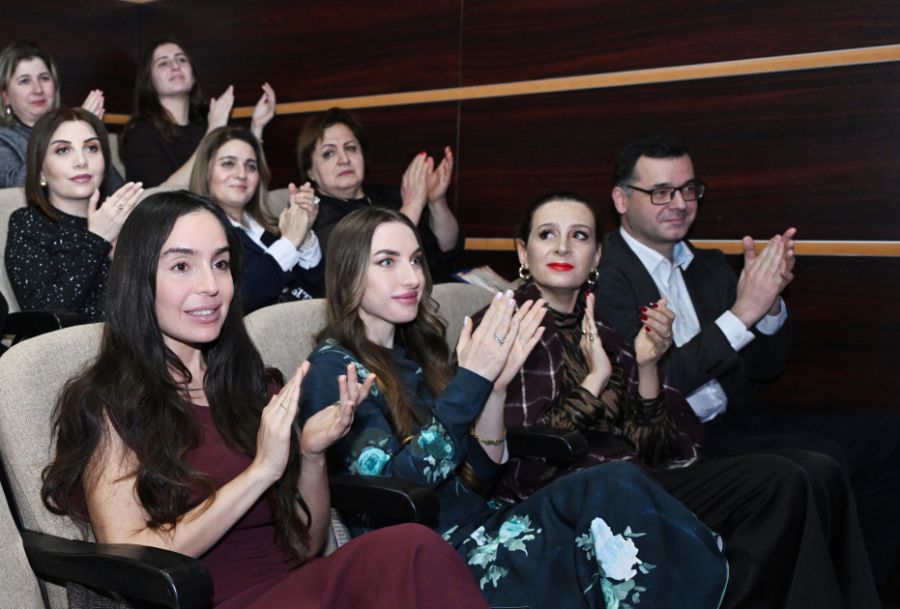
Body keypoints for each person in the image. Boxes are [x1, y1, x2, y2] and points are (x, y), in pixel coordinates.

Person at [40, 190, 492, 609]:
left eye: (220, 264)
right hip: (216, 600)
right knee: (413, 549)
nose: (211, 285)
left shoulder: (253, 388)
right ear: (140, 279)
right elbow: (130, 557)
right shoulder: (107, 402)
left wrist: (311, 455)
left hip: (298, 588)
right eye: (181, 266)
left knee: (414, 552)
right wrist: (260, 472)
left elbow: (306, 544)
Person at [300, 206, 728, 609]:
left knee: (617, 481)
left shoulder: (418, 356)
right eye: (387, 262)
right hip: (432, 557)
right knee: (616, 489)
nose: (412, 277)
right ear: (348, 273)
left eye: (415, 260)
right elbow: (398, 491)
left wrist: (496, 390)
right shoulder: (333, 370)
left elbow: (480, 475)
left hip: (490, 526)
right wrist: (473, 379)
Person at [493, 191, 878, 609]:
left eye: (579, 235)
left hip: (637, 479)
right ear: (523, 252)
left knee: (815, 470)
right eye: (548, 234)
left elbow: (662, 448)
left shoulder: (604, 330)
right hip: (575, 497)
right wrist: (594, 383)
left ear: (597, 255)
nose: (563, 248)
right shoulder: (506, 327)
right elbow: (523, 465)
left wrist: (647, 367)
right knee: (782, 482)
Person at [595, 134, 900, 595]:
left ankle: (865, 591)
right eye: (661, 192)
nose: (679, 204)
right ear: (621, 199)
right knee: (820, 462)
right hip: (675, 437)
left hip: (738, 415)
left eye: (688, 189)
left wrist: (769, 307)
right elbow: (655, 381)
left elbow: (765, 370)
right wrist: (741, 314)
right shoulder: (604, 274)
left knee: (889, 437)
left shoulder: (709, 265)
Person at [4, 107, 142, 322]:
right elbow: (45, 316)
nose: (81, 161)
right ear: (40, 170)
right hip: (78, 343)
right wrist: (96, 240)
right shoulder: (28, 223)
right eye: (63, 150)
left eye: (91, 148)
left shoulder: (125, 219)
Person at [296, 107, 463, 283]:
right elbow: (365, 262)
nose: (344, 159)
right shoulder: (313, 215)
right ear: (310, 171)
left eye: (351, 148)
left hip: (438, 288)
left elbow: (447, 248)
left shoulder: (389, 195)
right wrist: (413, 205)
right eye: (329, 153)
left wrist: (436, 201)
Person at [189, 127, 323, 312]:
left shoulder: (272, 228)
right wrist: (290, 242)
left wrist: (304, 235)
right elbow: (235, 299)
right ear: (206, 172)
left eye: (251, 166)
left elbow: (319, 292)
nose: (241, 174)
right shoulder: (198, 233)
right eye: (228, 164)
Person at [121, 39, 276, 188]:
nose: (175, 66)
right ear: (149, 81)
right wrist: (212, 132)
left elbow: (243, 182)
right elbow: (164, 193)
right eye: (163, 63)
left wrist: (257, 127)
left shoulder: (206, 121)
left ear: (193, 76)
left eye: (181, 60)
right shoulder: (139, 134)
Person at [0, 41, 116, 188]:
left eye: (44, 78)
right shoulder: (4, 138)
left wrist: (86, 132)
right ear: (5, 96)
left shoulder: (74, 125)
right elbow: (17, 187)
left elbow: (117, 189)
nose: (38, 89)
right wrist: (72, 132)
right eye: (25, 81)